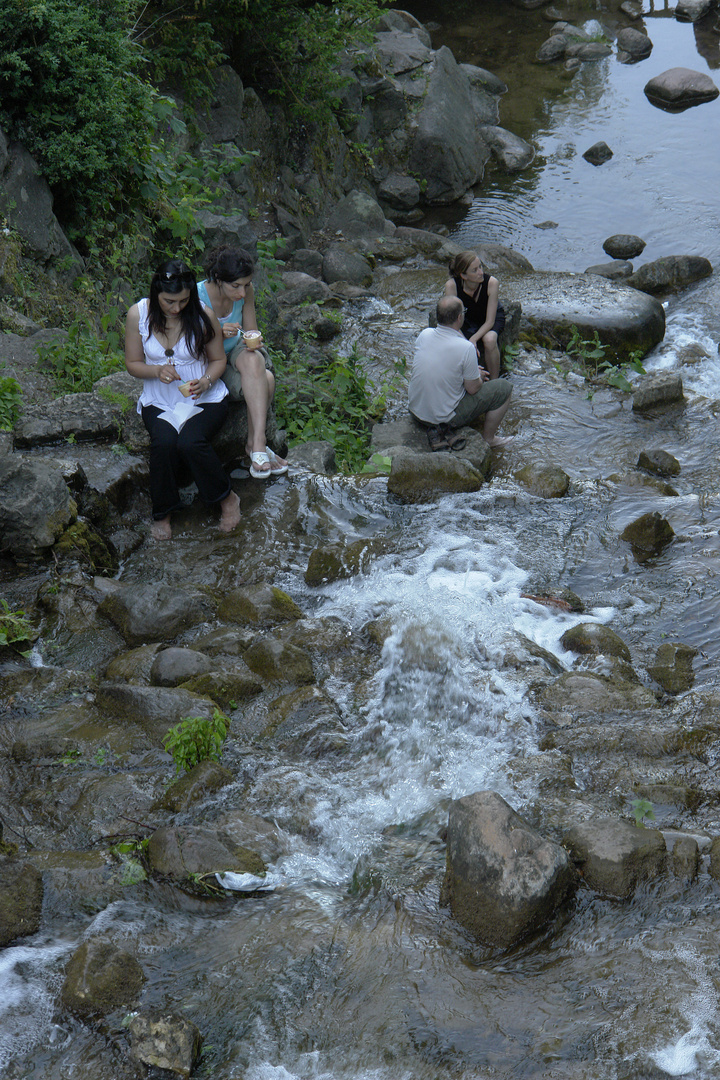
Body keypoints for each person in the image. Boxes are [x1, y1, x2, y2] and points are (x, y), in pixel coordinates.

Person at [124, 259, 241, 540]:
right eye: (169, 301)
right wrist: (155, 370)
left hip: (204, 398)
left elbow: (218, 359)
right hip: (160, 400)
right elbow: (132, 363)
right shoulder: (137, 315)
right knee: (163, 443)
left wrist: (207, 381)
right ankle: (162, 513)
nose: (176, 308)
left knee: (190, 442)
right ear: (156, 294)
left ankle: (227, 499)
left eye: (183, 301)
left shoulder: (202, 315)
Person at [198, 246, 288, 479]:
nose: (241, 292)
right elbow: (185, 344)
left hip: (236, 351)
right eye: (235, 286)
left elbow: (250, 330)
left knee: (253, 357)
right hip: (208, 359)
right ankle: (253, 446)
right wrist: (215, 331)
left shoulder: (247, 293)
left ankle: (257, 443)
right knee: (266, 378)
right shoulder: (196, 297)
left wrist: (254, 340)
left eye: (246, 284)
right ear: (218, 279)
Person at [408, 295, 513, 451]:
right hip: (441, 419)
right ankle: (490, 439)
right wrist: (478, 377)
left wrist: (469, 373)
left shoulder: (425, 334)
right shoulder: (466, 347)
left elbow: (442, 365)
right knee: (504, 388)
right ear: (459, 317)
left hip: (415, 411)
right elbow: (473, 388)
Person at [445, 250, 505, 379]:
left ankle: (495, 381)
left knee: (489, 340)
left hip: (489, 318)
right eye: (475, 270)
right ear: (463, 275)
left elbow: (490, 321)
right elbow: (452, 322)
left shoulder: (491, 283)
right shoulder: (452, 286)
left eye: (480, 267)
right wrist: (466, 344)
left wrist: (473, 339)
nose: (481, 272)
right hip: (467, 319)